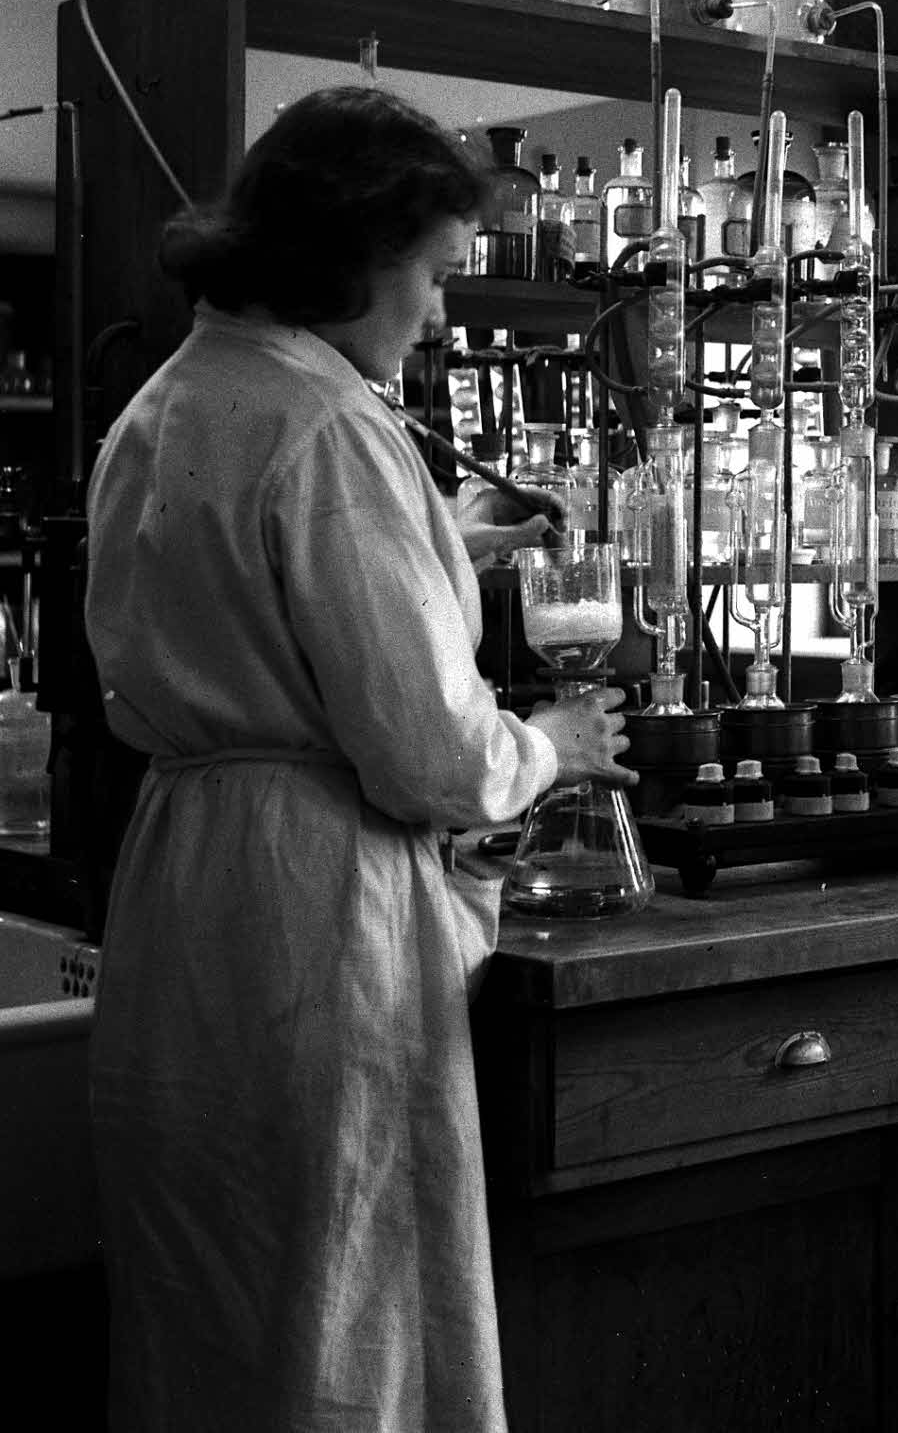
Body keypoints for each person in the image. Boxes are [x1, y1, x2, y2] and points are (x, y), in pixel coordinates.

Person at [84, 86, 636, 1432]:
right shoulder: (332, 431)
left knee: (210, 1309)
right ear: (351, 254)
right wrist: (549, 748)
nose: (442, 313)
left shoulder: (170, 402)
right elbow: (429, 757)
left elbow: (248, 593)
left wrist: (452, 540)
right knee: (347, 1313)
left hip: (181, 894)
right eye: (435, 272)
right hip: (319, 915)